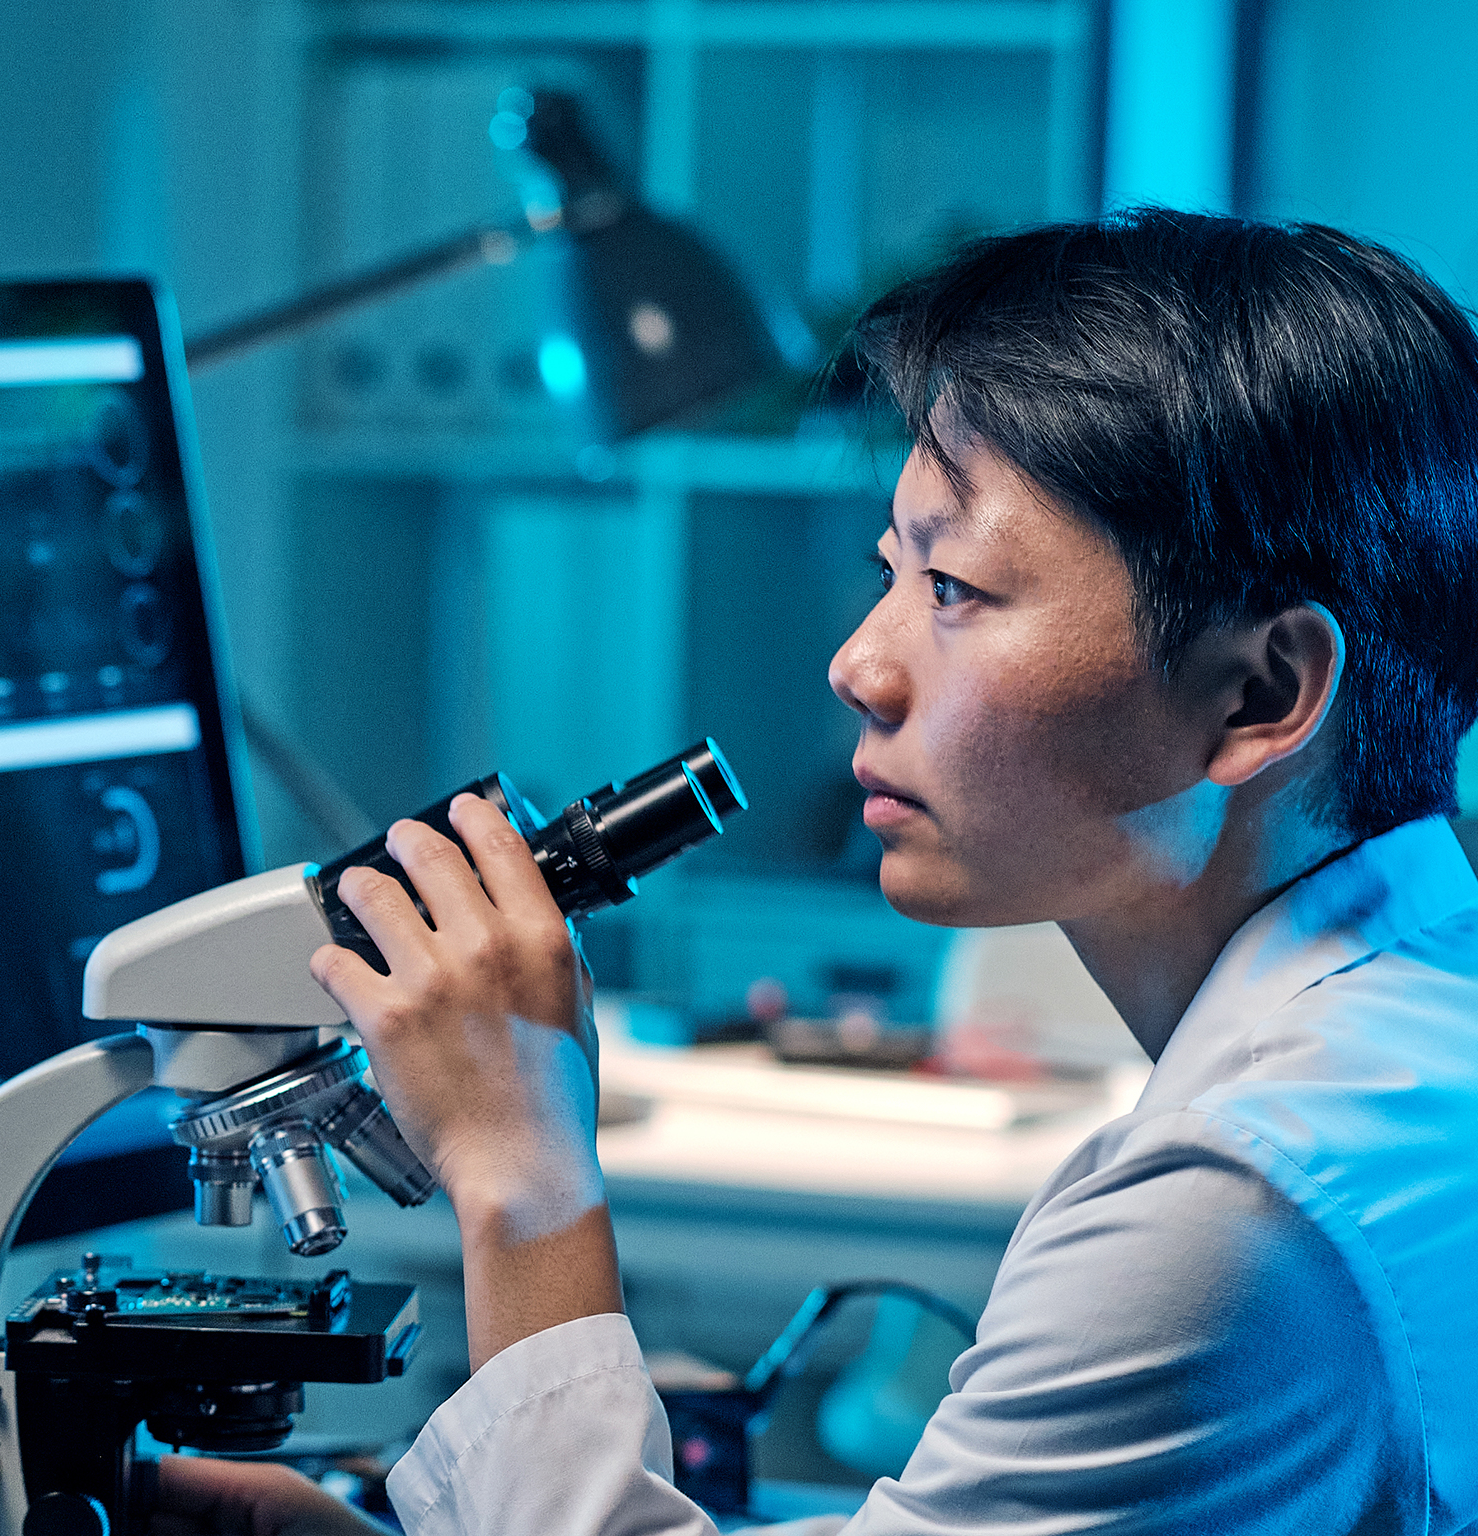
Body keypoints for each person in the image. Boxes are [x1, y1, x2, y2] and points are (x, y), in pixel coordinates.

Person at [155, 209, 1478, 1533]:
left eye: (956, 587)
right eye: (888, 568)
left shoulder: (1229, 1218)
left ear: (1263, 690)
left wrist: (527, 1181)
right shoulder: (1412, 1029)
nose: (861, 663)